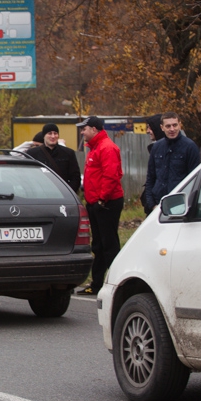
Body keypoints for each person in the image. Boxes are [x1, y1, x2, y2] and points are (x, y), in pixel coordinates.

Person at [79, 116, 124, 295]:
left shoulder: (107, 148)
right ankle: (97, 283)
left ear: (94, 130)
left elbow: (111, 175)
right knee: (98, 244)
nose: (82, 132)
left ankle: (117, 283)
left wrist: (101, 200)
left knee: (109, 244)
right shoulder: (95, 147)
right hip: (95, 203)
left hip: (106, 204)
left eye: (85, 129)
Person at [143, 112, 200, 211]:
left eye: (174, 125)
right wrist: (151, 204)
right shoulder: (156, 147)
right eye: (168, 126)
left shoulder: (190, 147)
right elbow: (150, 178)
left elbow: (195, 179)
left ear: (180, 125)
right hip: (158, 204)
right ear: (162, 127)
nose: (172, 129)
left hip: (180, 204)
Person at [27, 123, 82, 195]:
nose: (53, 136)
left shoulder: (68, 153)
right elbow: (28, 177)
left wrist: (68, 193)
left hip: (63, 195)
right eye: (49, 133)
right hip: (40, 195)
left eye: (55, 133)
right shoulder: (32, 154)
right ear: (44, 136)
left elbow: (75, 177)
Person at [139, 115, 164, 211]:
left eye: (150, 128)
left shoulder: (164, 151)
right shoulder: (156, 149)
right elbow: (150, 178)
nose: (147, 131)